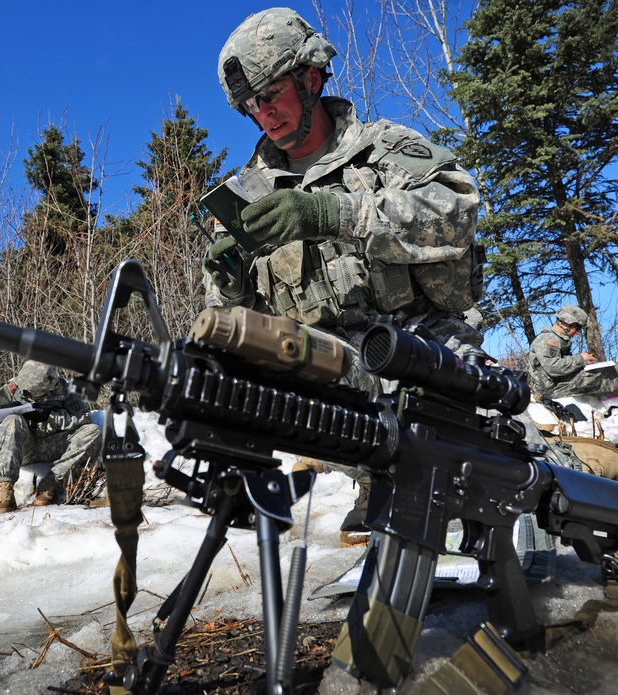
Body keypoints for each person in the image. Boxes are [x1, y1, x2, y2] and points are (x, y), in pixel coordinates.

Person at [205, 7, 484, 546]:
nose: (264, 114)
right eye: (251, 105)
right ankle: (382, 480)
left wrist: (333, 214)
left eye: (272, 93)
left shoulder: (384, 149)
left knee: (512, 461)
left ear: (311, 78)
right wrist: (230, 286)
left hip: (425, 352)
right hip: (335, 382)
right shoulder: (245, 199)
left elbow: (459, 214)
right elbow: (233, 329)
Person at [0, 361, 101, 513]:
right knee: (11, 421)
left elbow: (83, 418)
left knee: (92, 431)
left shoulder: (66, 390)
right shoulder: (12, 388)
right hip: (22, 448)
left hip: (53, 445)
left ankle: (50, 483)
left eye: (35, 395)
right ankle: (4, 491)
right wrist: (10, 412)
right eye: (28, 394)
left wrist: (50, 417)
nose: (32, 397)